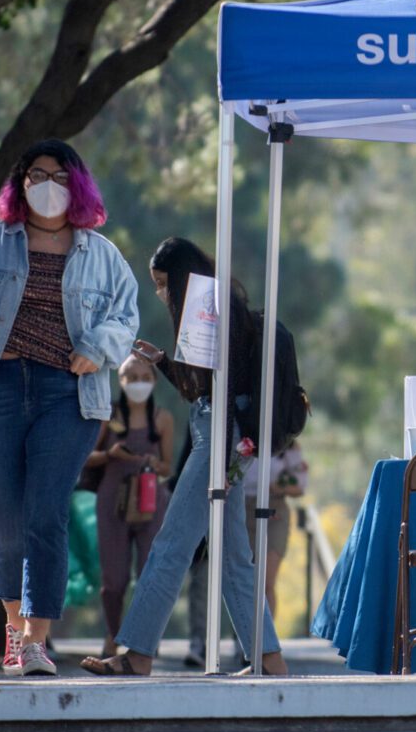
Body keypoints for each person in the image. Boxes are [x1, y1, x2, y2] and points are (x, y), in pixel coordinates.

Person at [0, 139, 141, 677]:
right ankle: (14, 633)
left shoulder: (101, 254)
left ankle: (37, 640)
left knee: (46, 513)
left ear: (78, 187)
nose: (48, 186)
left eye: (60, 177)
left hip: (67, 397)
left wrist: (99, 347)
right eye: (37, 175)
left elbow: (127, 316)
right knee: (8, 521)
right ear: (18, 184)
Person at [82, 238, 290, 677]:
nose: (160, 292)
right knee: (235, 558)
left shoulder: (201, 304)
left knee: (171, 545)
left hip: (216, 436)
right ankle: (268, 659)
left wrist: (164, 361)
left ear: (177, 278)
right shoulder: (223, 300)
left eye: (161, 284)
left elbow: (202, 391)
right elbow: (210, 384)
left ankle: (137, 652)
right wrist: (161, 359)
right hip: (233, 438)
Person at [87, 354, 174, 659]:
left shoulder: (162, 418)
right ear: (120, 380)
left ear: (154, 381)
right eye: (131, 377)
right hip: (113, 500)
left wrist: (153, 463)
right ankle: (113, 635)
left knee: (150, 572)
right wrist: (111, 454)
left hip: (150, 501)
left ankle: (145, 638)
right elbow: (87, 456)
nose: (138, 383)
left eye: (144, 377)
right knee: (114, 578)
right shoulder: (108, 415)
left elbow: (167, 466)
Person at [244, 441, 308, 614]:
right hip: (243, 509)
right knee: (247, 580)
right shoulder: (242, 438)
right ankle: (244, 632)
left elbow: (299, 487)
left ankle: (266, 636)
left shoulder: (288, 445)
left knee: (266, 582)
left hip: (274, 510)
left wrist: (278, 487)